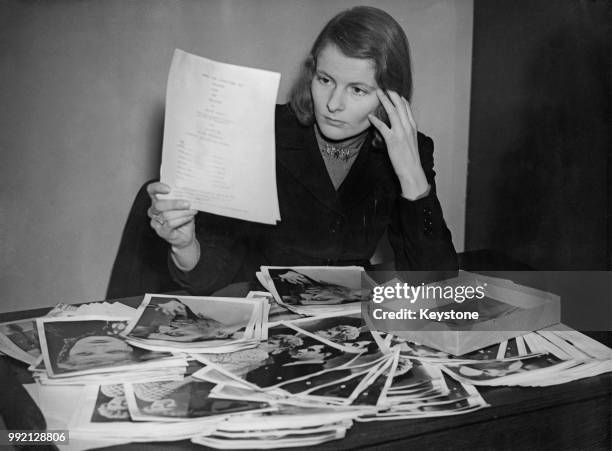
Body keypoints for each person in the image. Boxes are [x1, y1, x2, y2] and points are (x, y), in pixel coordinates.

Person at [146, 6, 458, 296]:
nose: (334, 104)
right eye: (325, 80)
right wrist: (185, 247)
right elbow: (221, 268)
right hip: (271, 319)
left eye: (358, 90)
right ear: (312, 73)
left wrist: (413, 182)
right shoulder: (262, 131)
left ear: (391, 96)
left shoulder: (411, 151)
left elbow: (436, 285)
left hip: (351, 323)